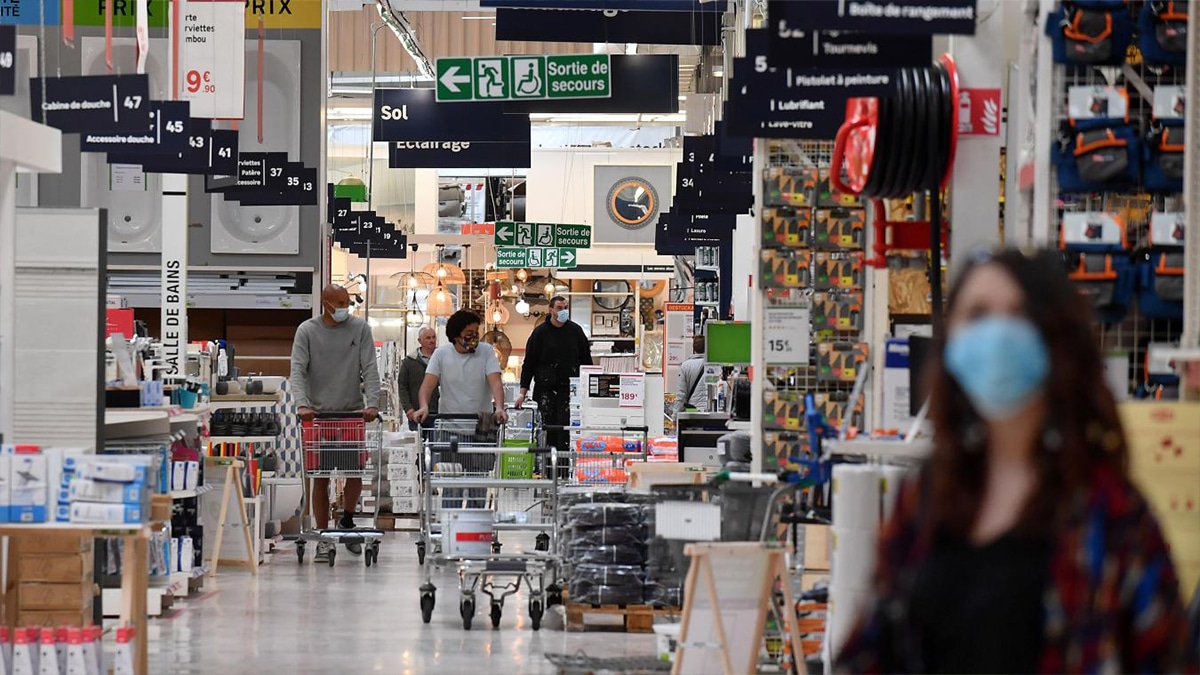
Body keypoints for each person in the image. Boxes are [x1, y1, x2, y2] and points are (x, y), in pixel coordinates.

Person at [835, 249, 1197, 674]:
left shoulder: (1109, 510)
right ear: (951, 341)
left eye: (1018, 313)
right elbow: (871, 649)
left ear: (1055, 340)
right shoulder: (926, 498)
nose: (999, 333)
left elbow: (1166, 656)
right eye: (978, 313)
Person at [290, 284, 381, 562]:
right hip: (317, 415)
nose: (345, 307)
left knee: (355, 471)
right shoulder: (307, 330)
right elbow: (297, 369)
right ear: (325, 302)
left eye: (347, 302)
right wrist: (302, 403)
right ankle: (322, 534)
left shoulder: (360, 329)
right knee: (320, 476)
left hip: (351, 411)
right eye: (340, 302)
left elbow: (370, 367)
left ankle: (347, 519)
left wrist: (373, 403)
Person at [413, 310, 507, 509]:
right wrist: (423, 407)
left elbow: (496, 383)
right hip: (450, 428)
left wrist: (499, 408)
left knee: (478, 483)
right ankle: (451, 528)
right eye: (469, 332)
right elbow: (427, 386)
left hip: (481, 427)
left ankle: (474, 528)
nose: (474, 336)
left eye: (477, 331)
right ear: (456, 336)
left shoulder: (486, 351)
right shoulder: (441, 354)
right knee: (451, 484)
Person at [514, 296, 592, 452]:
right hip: (545, 391)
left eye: (565, 307)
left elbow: (587, 363)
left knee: (566, 433)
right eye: (559, 308)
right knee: (546, 432)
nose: (563, 311)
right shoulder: (539, 334)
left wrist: (589, 390)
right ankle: (546, 471)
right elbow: (528, 365)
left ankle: (564, 471)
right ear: (551, 310)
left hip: (570, 391)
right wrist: (522, 393)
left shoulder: (576, 331)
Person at [398, 326, 438, 429]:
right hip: (416, 413)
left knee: (438, 444)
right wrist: (408, 408)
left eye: (433, 337)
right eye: (428, 338)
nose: (432, 340)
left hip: (438, 414)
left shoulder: (441, 359)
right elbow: (402, 386)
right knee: (417, 443)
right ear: (419, 341)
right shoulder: (410, 361)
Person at [673, 335, 708, 417]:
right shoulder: (713, 365)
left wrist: (675, 416)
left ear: (694, 349)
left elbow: (681, 394)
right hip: (711, 410)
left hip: (693, 411)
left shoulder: (686, 366)